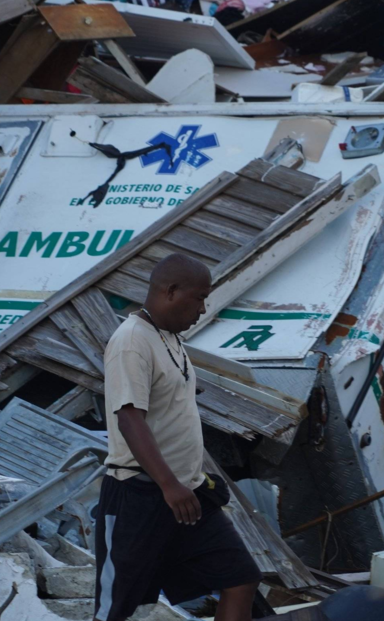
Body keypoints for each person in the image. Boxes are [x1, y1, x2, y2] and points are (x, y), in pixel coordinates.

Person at [94, 253, 261, 621]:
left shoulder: (167, 336)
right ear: (170, 291)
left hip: (187, 494)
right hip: (141, 495)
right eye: (199, 298)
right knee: (116, 609)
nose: (203, 309)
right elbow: (129, 418)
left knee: (241, 577)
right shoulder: (131, 341)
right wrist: (169, 485)